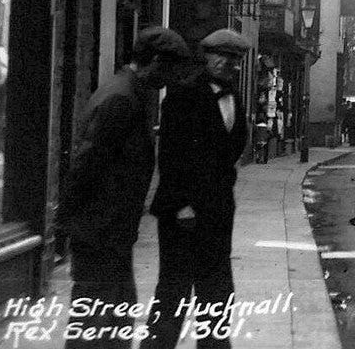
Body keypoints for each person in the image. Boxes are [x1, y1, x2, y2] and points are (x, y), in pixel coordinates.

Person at [58, 27, 189, 349]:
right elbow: (87, 163)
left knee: (115, 323)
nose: (172, 77)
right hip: (99, 231)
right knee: (94, 325)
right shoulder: (121, 97)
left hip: (111, 232)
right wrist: (67, 220)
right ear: (156, 62)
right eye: (171, 68)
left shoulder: (129, 92)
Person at [145, 28, 250, 349]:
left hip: (217, 213)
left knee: (217, 293)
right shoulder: (183, 93)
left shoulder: (233, 95)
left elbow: (229, 151)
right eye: (221, 56)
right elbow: (171, 156)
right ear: (207, 56)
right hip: (184, 214)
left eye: (234, 59)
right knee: (174, 294)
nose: (227, 64)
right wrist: (182, 205)